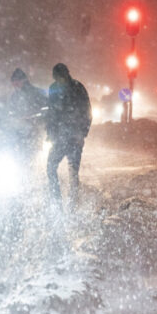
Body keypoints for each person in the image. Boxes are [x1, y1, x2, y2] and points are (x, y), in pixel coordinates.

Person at [46, 63, 92, 208]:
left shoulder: (78, 88)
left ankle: (72, 204)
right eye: (56, 78)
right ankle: (56, 201)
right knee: (51, 167)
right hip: (60, 137)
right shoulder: (53, 89)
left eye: (60, 77)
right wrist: (50, 132)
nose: (59, 80)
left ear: (66, 75)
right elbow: (51, 113)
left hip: (74, 137)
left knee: (73, 171)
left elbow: (87, 112)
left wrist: (82, 133)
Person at [8, 68, 47, 159]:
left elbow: (46, 109)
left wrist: (34, 116)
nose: (15, 86)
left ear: (23, 81)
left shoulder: (37, 93)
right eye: (14, 84)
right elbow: (11, 111)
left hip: (35, 130)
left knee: (34, 153)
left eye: (16, 83)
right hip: (20, 131)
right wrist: (15, 117)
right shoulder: (14, 96)